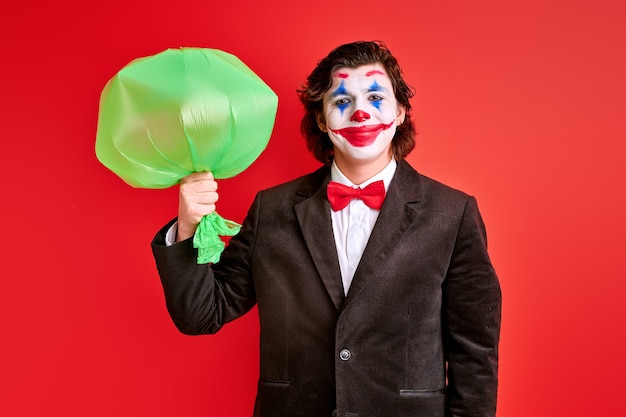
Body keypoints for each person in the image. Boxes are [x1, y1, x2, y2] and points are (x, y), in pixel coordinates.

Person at [151, 40, 501, 417]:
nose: (361, 113)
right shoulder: (272, 209)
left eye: (375, 97)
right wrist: (188, 227)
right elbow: (202, 314)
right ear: (321, 118)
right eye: (342, 101)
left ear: (400, 112)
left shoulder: (453, 213)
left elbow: (475, 354)